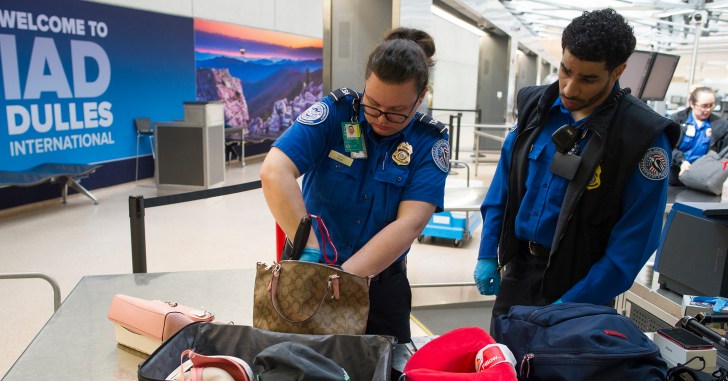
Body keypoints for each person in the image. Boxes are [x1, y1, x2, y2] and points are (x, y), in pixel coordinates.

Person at [473, 8, 680, 323]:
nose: (569, 88)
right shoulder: (535, 106)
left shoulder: (642, 137)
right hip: (520, 272)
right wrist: (489, 251)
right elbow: (505, 182)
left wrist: (570, 305)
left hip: (583, 290)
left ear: (618, 71)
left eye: (588, 79)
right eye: (565, 70)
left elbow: (634, 243)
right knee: (503, 367)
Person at [260, 28, 450, 343]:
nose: (381, 119)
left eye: (397, 112)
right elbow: (274, 170)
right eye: (372, 105)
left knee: (381, 379)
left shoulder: (429, 141)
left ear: (421, 98)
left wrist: (346, 279)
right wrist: (310, 249)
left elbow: (411, 222)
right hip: (309, 276)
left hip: (381, 287)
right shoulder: (336, 113)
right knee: (297, 370)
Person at [668, 85, 728, 185]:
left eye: (711, 105)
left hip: (702, 178)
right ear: (692, 104)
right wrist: (681, 161)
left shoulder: (721, 125)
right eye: (704, 106)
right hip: (675, 175)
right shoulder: (676, 120)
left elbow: (723, 153)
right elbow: (667, 146)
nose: (708, 109)